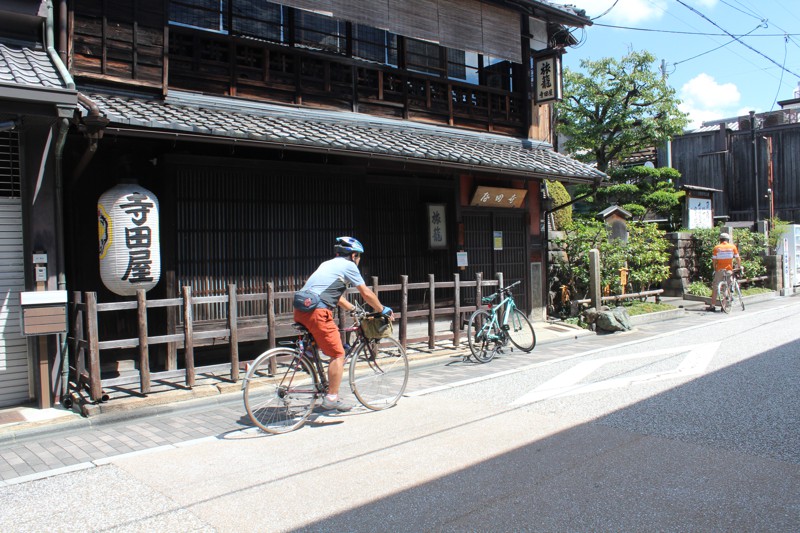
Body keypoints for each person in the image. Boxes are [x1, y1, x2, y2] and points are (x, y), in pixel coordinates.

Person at [293, 236, 393, 411]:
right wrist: (382, 309)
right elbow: (366, 293)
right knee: (338, 354)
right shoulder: (349, 266)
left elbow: (335, 295)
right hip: (318, 312)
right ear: (353, 255)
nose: (359, 260)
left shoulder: (327, 264)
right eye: (359, 256)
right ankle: (332, 398)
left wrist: (353, 309)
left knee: (325, 340)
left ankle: (309, 352)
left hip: (300, 310)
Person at [708, 232, 741, 312]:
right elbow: (737, 258)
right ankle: (724, 306)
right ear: (728, 240)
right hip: (729, 270)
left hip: (719, 270)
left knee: (716, 287)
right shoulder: (732, 247)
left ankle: (712, 306)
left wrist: (715, 269)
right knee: (727, 287)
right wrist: (739, 266)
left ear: (720, 240)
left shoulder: (717, 248)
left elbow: (714, 260)